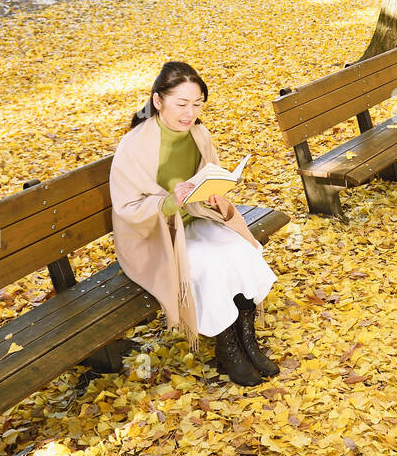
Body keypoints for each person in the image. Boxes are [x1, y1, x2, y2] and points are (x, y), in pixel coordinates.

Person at [108, 61, 279, 387]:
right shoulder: (133, 146)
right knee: (213, 264)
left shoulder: (199, 134)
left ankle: (247, 340)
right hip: (154, 235)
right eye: (181, 104)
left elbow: (207, 179)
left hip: (194, 218)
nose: (190, 113)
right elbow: (128, 208)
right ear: (158, 101)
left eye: (197, 104)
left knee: (241, 250)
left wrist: (213, 195)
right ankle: (227, 350)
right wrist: (170, 201)